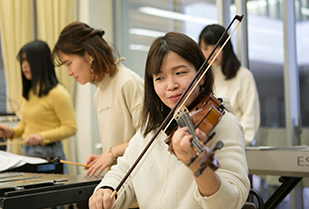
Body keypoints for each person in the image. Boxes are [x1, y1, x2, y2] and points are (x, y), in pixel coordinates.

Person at [88, 32, 250, 209]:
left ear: (202, 75)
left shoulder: (224, 124)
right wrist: (105, 189)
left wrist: (199, 169)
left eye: (180, 72)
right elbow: (124, 169)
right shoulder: (152, 127)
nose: (171, 85)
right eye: (160, 78)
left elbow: (231, 202)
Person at [52, 21, 144, 176]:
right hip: (117, 181)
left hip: (139, 183)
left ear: (88, 54)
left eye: (69, 64)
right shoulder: (99, 94)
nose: (68, 72)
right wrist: (105, 157)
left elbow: (151, 137)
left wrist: (112, 153)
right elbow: (122, 141)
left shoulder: (127, 82)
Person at [0, 40, 77, 175]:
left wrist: (41, 136)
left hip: (49, 153)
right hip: (27, 152)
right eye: (22, 61)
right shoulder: (28, 93)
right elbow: (25, 124)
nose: (24, 66)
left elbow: (70, 128)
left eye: (28, 61)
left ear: (40, 62)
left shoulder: (58, 93)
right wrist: (11, 132)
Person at [199, 24, 260, 146]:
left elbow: (250, 119)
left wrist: (234, 143)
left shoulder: (243, 76)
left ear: (225, 47)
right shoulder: (201, 78)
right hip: (207, 147)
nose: (211, 53)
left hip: (236, 145)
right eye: (205, 48)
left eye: (215, 47)